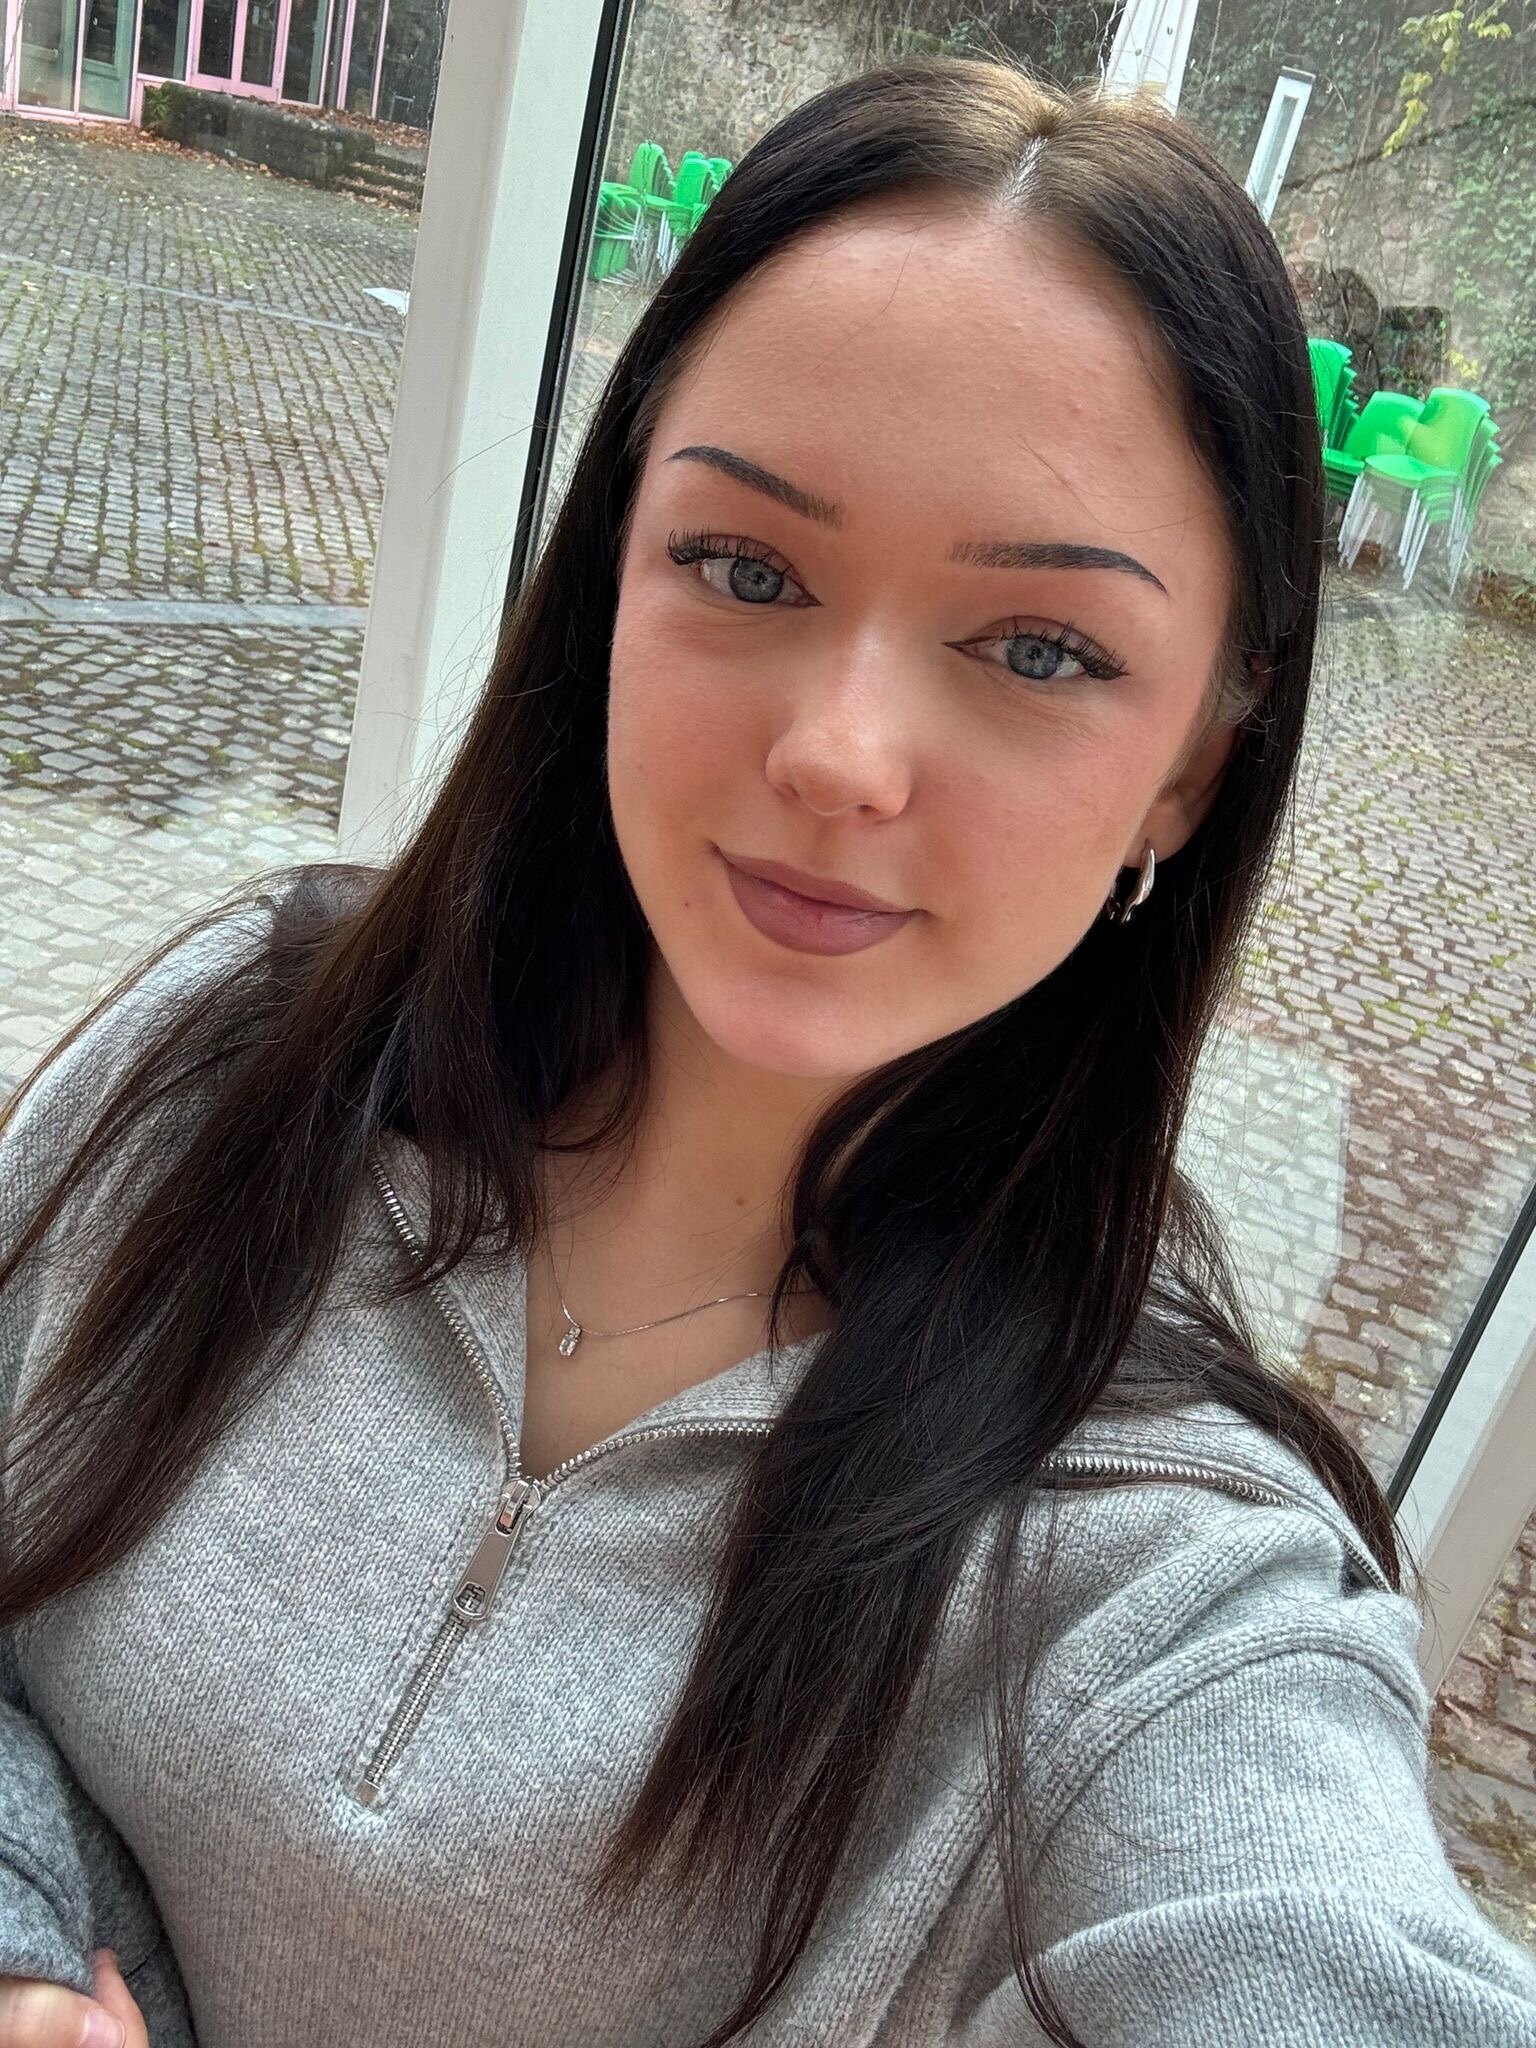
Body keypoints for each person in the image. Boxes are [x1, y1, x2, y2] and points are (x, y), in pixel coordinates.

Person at [1, 54, 1533, 2048]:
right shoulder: (238, 1055)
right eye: (746, 568)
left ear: (1190, 767)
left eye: (1040, 648)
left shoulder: (1151, 1586)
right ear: (613, 573)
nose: (837, 755)